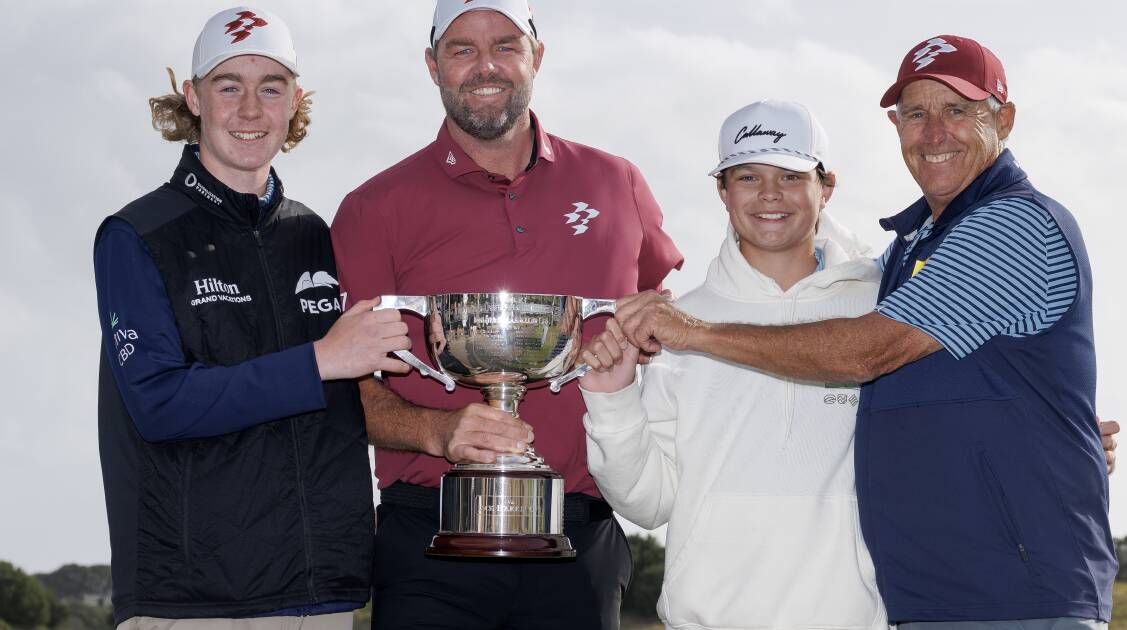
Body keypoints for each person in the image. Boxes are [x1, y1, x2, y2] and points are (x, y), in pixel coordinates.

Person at [614, 35, 1118, 628]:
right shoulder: (907, 251)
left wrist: (694, 333)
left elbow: (866, 352)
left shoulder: (1015, 223)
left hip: (1023, 592)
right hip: (930, 597)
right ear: (895, 126)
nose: (934, 133)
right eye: (915, 114)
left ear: (1003, 120)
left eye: (957, 110)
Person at [328, 1, 683, 628]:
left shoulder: (616, 183)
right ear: (432, 64)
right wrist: (437, 431)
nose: (485, 66)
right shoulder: (372, 207)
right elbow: (346, 390)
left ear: (536, 57)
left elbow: (658, 314)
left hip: (578, 534)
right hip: (431, 537)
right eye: (462, 49)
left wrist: (648, 340)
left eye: (505, 46)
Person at [93, 7, 412, 629]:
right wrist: (320, 361)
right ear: (193, 98)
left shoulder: (315, 235)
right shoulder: (136, 235)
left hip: (324, 594)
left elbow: (354, 399)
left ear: (295, 102)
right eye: (228, 86)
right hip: (194, 601)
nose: (249, 110)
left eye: (270, 88)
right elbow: (158, 404)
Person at [579, 100, 889, 629]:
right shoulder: (680, 323)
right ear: (722, 191)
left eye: (790, 175)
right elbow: (649, 503)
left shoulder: (880, 310)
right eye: (748, 176)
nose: (770, 194)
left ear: (826, 187)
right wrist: (612, 399)